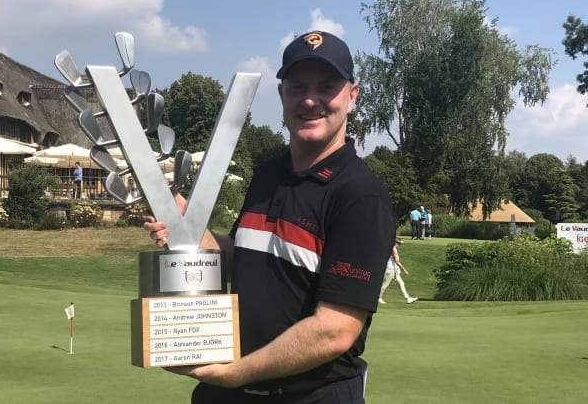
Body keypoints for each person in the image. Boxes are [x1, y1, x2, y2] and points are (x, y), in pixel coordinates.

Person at [144, 31, 396, 403]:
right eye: (297, 87)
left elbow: (335, 330)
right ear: (282, 95)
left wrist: (234, 372)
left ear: (352, 96)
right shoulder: (267, 174)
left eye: (327, 86)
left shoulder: (360, 196)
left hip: (309, 395)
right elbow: (243, 256)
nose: (310, 99)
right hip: (229, 394)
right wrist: (189, 229)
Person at [378, 237, 417, 304]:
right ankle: (378, 297)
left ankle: (408, 298)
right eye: (399, 243)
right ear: (395, 243)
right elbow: (397, 261)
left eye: (400, 243)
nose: (400, 245)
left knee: (401, 283)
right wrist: (404, 270)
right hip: (390, 270)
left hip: (394, 270)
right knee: (385, 285)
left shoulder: (394, 249)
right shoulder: (393, 250)